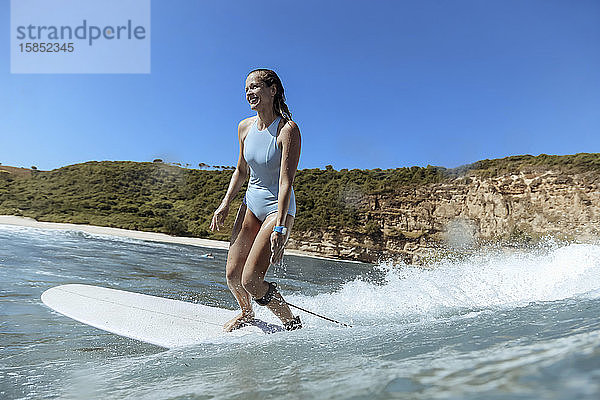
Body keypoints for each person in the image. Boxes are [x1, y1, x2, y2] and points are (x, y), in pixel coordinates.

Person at [210, 69, 302, 332]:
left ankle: (292, 323)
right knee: (233, 275)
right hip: (251, 203)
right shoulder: (244, 127)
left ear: (272, 90)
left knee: (251, 280)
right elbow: (241, 170)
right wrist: (226, 202)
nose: (249, 92)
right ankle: (246, 312)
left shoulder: (287, 130)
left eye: (255, 87)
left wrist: (281, 228)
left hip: (277, 208)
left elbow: (286, 182)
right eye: (246, 88)